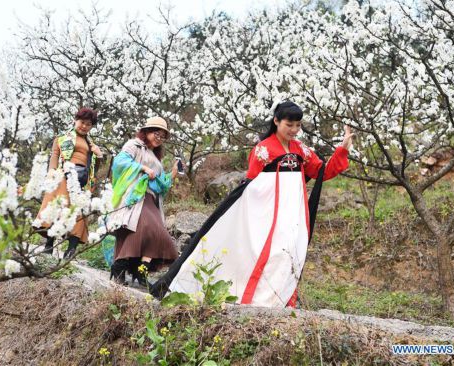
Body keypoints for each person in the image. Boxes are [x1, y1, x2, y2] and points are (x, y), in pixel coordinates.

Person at [150, 101, 354, 307]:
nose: (294, 130)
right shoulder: (262, 150)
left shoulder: (301, 149)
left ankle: (280, 299)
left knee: (288, 252)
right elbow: (252, 184)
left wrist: (342, 149)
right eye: (289, 125)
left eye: (298, 125)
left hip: (292, 214)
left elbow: (322, 172)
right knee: (265, 252)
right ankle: (256, 296)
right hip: (265, 214)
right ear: (276, 121)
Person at [107, 116, 179, 286]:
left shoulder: (156, 157)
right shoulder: (134, 145)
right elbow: (120, 162)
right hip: (134, 197)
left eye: (162, 137)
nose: (158, 138)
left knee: (158, 235)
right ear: (146, 131)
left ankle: (140, 271)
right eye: (156, 133)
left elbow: (160, 184)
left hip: (150, 199)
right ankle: (121, 268)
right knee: (142, 230)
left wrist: (173, 174)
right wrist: (142, 167)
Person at [35, 107, 103, 259]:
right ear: (75, 120)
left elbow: (94, 168)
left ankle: (71, 249)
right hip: (62, 176)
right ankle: (49, 244)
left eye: (88, 124)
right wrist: (52, 174)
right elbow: (54, 156)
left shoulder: (91, 144)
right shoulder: (61, 139)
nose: (84, 126)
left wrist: (99, 155)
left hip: (82, 181)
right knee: (56, 208)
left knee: (78, 212)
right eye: (82, 122)